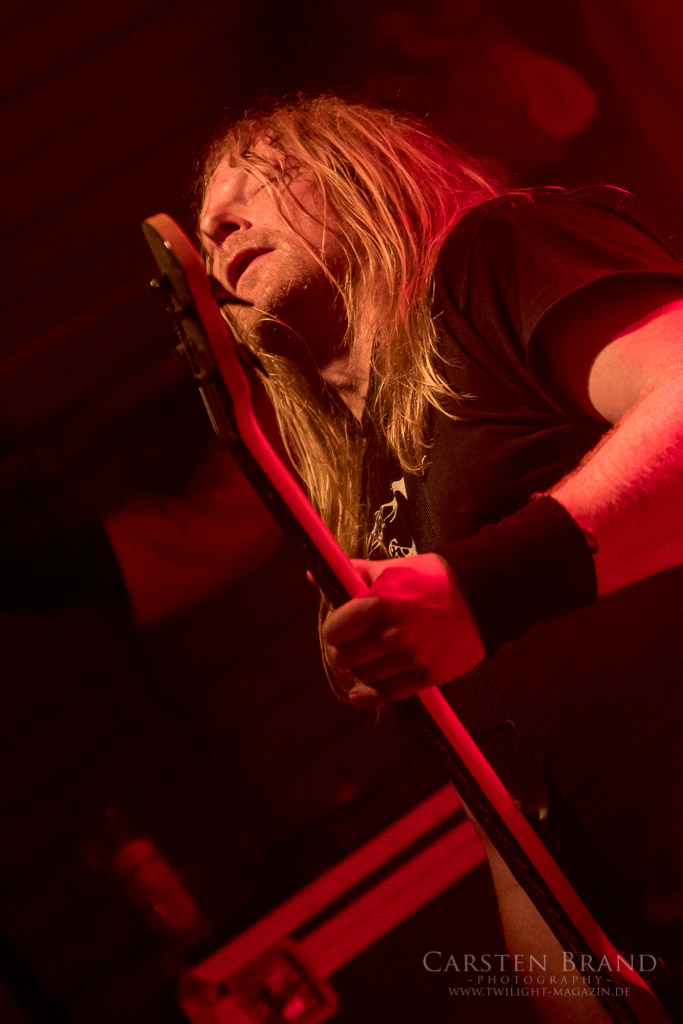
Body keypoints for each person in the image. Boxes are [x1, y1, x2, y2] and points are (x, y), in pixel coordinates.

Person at [197, 94, 683, 1021]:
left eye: (256, 180)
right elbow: (502, 803)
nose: (215, 224)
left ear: (360, 171)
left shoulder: (493, 257)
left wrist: (479, 587)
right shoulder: (361, 511)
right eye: (205, 225)